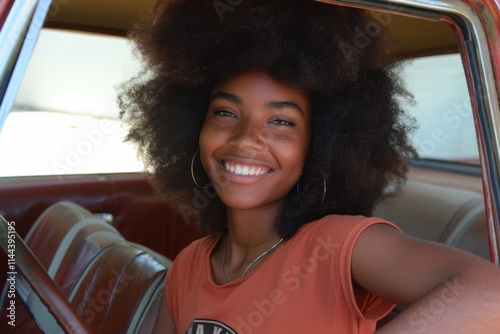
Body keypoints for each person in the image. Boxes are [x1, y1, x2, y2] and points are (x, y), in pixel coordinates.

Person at [119, 0, 500, 333]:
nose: (245, 139)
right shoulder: (188, 265)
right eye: (224, 112)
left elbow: (490, 294)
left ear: (319, 145)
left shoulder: (336, 245)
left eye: (281, 121)